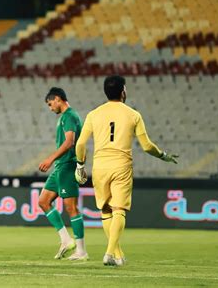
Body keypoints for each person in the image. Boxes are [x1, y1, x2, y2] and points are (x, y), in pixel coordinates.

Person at [74, 75, 178, 266]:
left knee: (105, 210)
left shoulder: (93, 114)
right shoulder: (133, 115)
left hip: (100, 166)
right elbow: (147, 146)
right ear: (123, 91)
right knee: (119, 210)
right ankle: (109, 254)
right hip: (121, 165)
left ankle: (118, 254)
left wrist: (80, 165)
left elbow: (80, 143)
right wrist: (163, 155)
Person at [37, 87, 88, 261]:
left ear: (58, 99)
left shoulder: (70, 116)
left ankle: (81, 251)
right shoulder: (64, 118)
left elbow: (69, 143)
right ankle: (66, 240)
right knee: (43, 201)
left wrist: (50, 159)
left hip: (67, 165)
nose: (51, 108)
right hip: (60, 167)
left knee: (71, 207)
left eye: (51, 104)